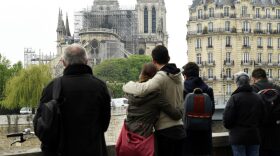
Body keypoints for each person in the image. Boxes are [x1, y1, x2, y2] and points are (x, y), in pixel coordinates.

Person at [34, 44, 111, 156]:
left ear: (63, 62)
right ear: (86, 61)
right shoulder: (100, 86)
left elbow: (39, 125)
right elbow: (104, 125)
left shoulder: (52, 87)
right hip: (93, 150)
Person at [123, 45, 185, 156]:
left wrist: (126, 85)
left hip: (165, 132)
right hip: (180, 129)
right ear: (168, 58)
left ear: (153, 60)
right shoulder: (179, 76)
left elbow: (142, 90)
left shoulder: (161, 76)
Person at [223, 72, 263, 156]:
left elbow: (227, 120)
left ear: (237, 83)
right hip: (254, 136)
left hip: (238, 137)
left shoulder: (234, 98)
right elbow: (264, 117)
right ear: (249, 82)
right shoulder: (258, 97)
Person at [182, 62, 215, 155]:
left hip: (187, 134)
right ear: (198, 73)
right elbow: (211, 110)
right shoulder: (208, 90)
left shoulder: (182, 89)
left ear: (185, 75)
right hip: (205, 134)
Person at [251, 68, 280, 156]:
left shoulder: (252, 89)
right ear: (265, 76)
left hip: (259, 130)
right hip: (276, 129)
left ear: (254, 78)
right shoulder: (277, 88)